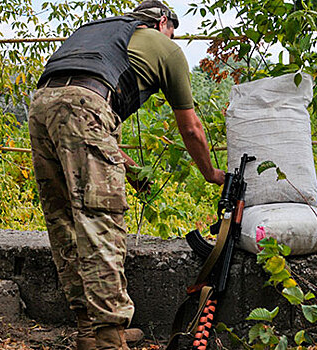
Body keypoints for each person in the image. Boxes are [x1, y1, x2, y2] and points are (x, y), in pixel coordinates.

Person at [28, 1, 225, 349]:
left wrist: (129, 169)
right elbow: (191, 129)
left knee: (64, 221)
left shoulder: (99, 33)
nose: (172, 37)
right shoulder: (166, 48)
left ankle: (89, 331)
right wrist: (211, 173)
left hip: (42, 104)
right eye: (172, 31)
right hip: (86, 106)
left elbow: (82, 109)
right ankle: (109, 338)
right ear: (163, 21)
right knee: (100, 221)